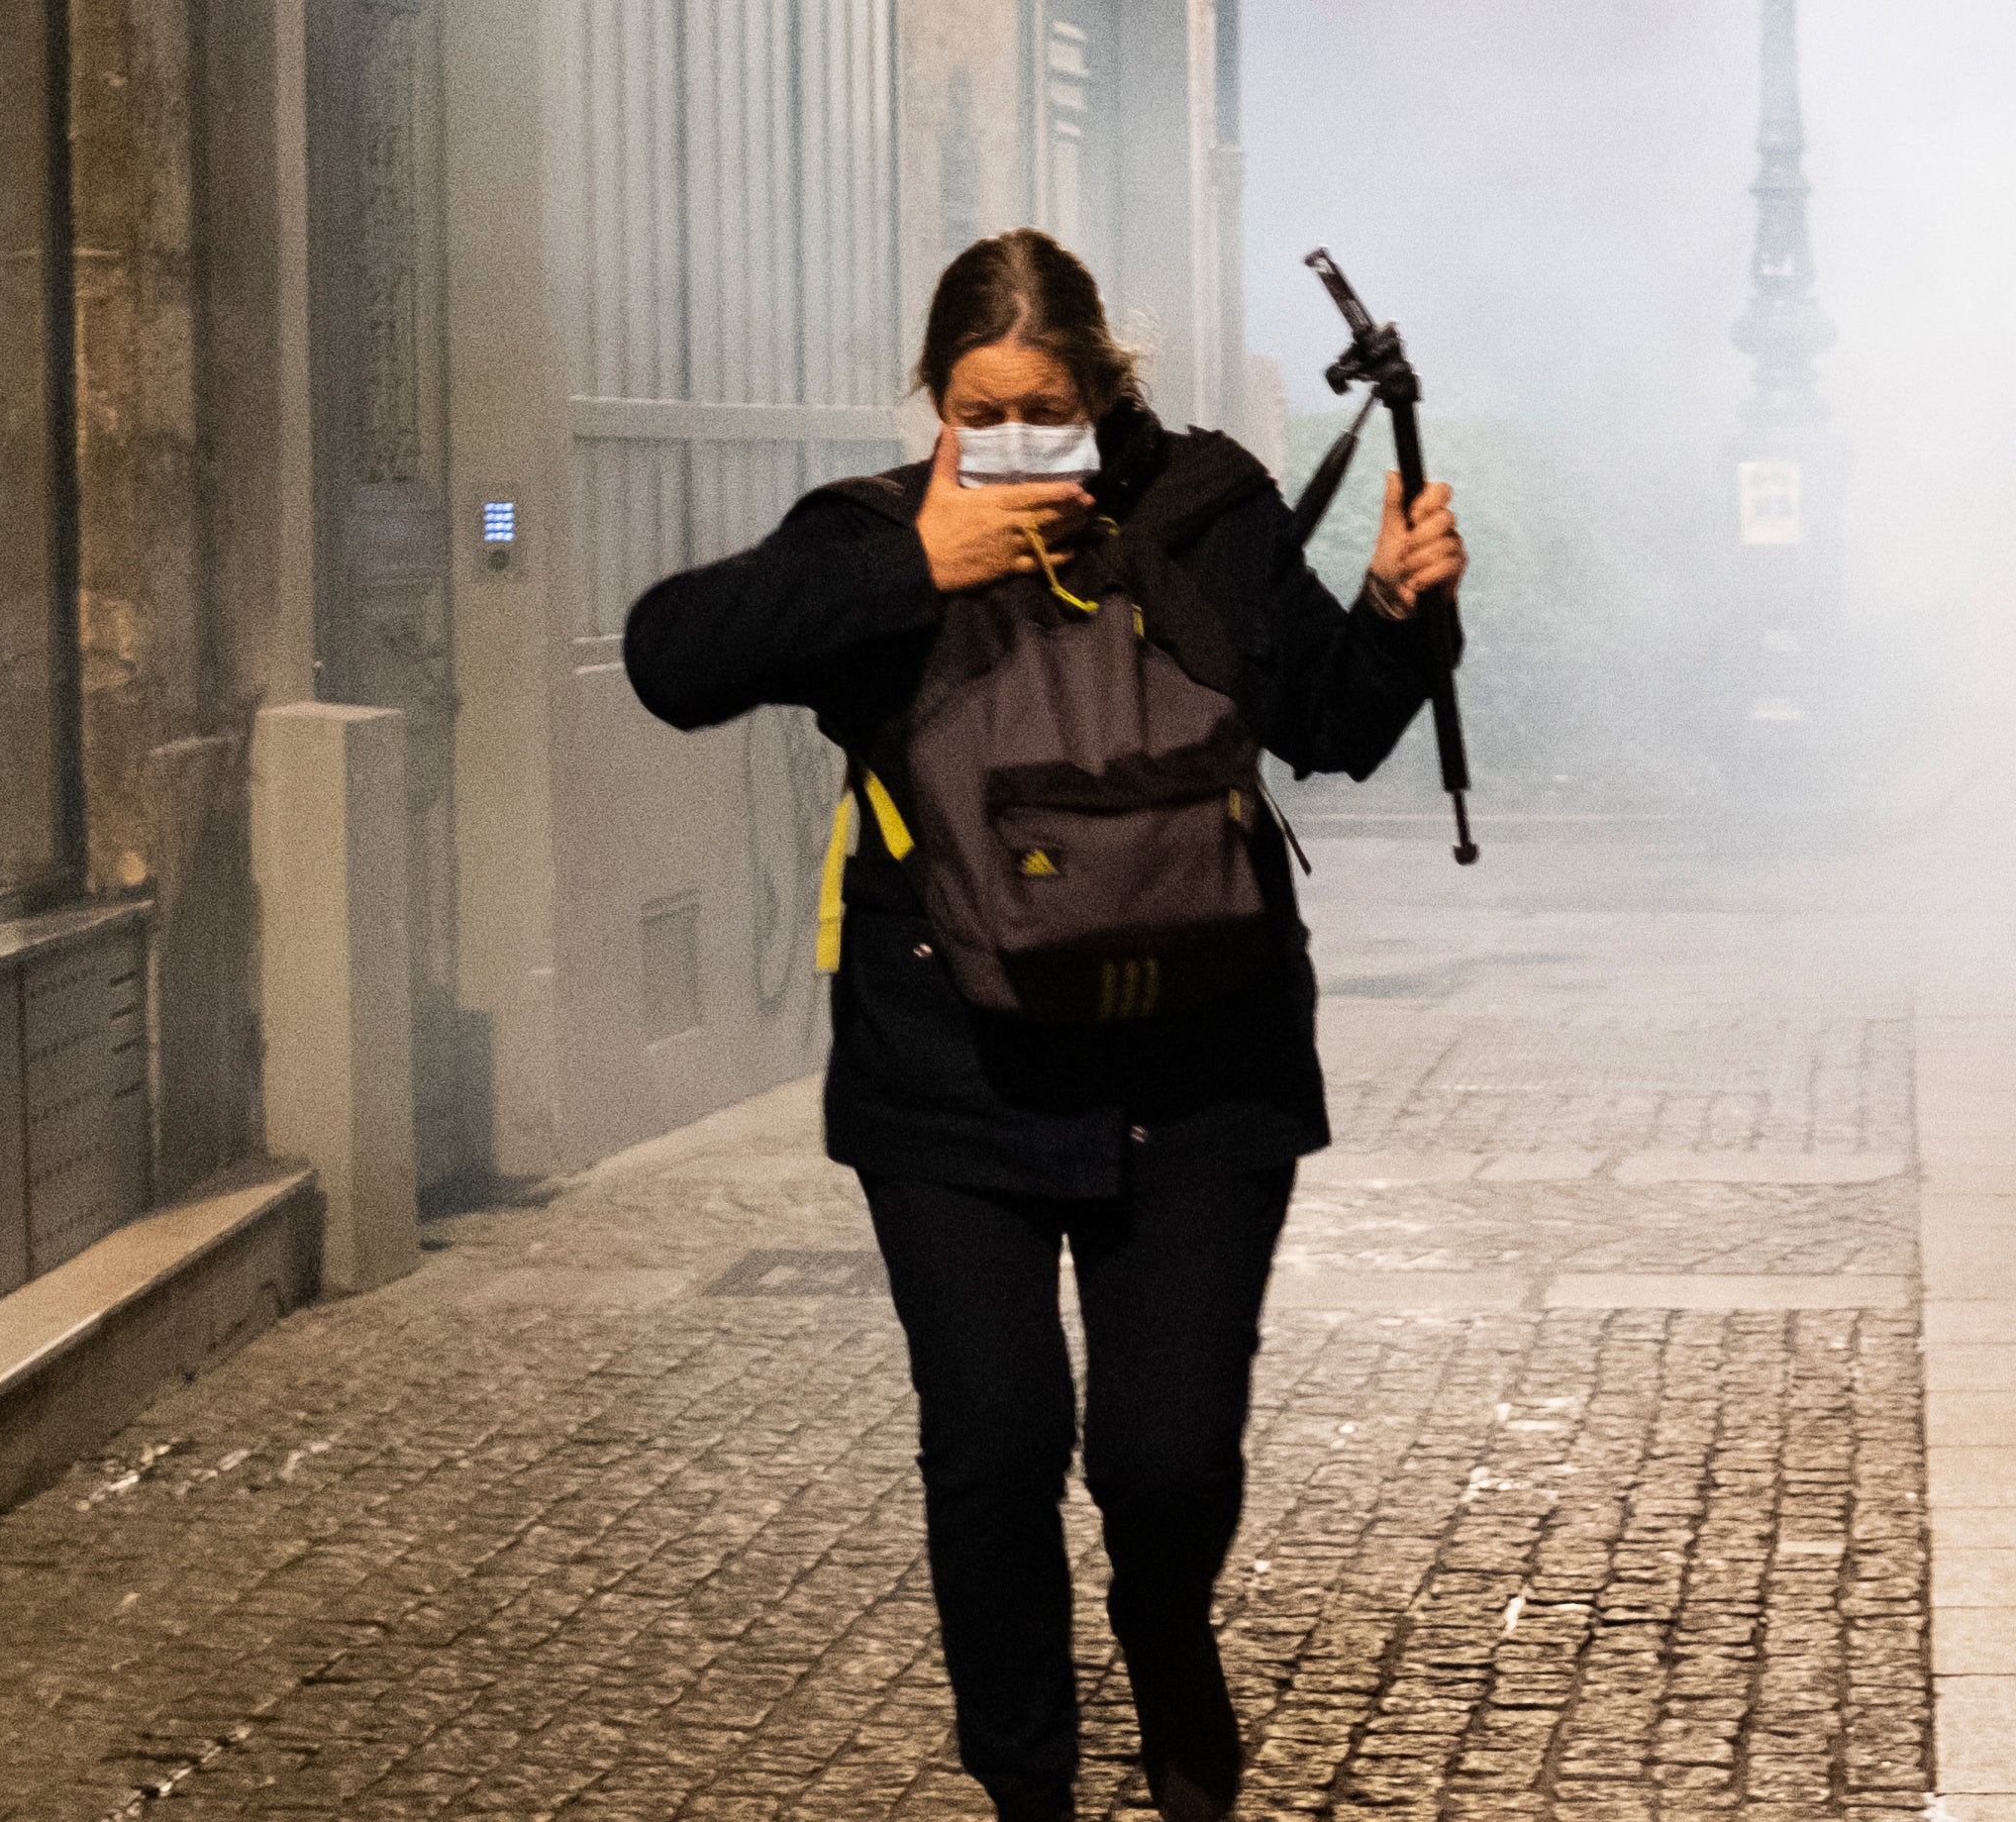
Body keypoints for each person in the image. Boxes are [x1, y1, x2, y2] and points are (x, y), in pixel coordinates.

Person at [624, 229, 1464, 1822]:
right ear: (935, 402)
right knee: (997, 1449)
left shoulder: (1202, 513)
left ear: (1101, 390)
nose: (1012, 444)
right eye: (977, 409)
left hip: (1203, 1073)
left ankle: (1166, 1638)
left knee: (1167, 1465)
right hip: (954, 1082)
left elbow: (1336, 727)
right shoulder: (873, 542)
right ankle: (1029, 1789)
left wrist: (1400, 609)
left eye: (1044, 413)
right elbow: (672, 657)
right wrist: (917, 564)